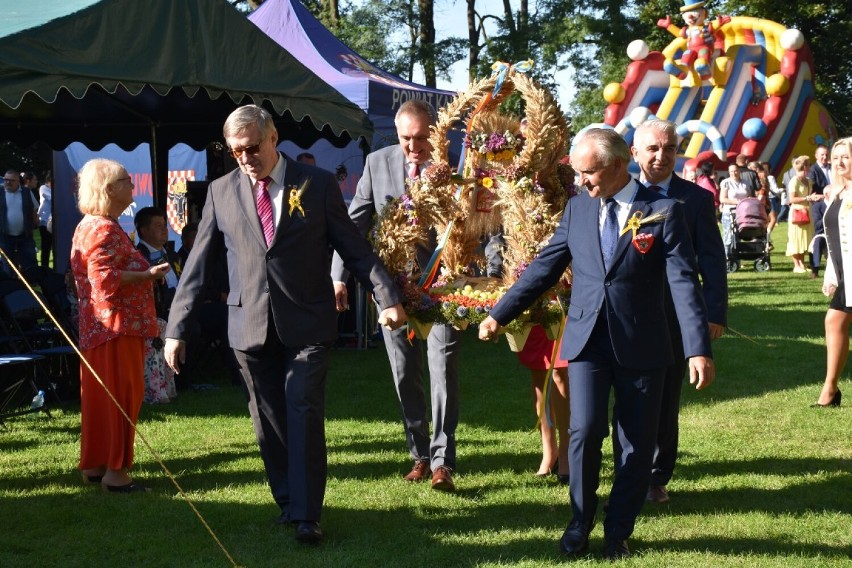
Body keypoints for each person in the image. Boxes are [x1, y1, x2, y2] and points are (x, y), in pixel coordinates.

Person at [164, 104, 406, 544]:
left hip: (307, 323)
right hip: (248, 326)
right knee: (268, 421)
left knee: (304, 410)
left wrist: (384, 295)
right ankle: (288, 502)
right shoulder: (220, 191)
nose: (244, 158)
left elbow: (353, 247)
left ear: (273, 138)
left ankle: (308, 515)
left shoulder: (315, 185)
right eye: (235, 151)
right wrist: (176, 328)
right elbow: (197, 265)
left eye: (252, 147)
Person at [479, 128, 714, 560]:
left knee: (635, 443)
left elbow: (683, 281)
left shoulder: (663, 211)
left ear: (617, 165)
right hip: (586, 341)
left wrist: (697, 346)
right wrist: (500, 313)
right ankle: (579, 521)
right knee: (584, 430)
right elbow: (543, 268)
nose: (581, 182)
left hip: (645, 344)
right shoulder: (577, 209)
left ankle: (617, 529)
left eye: (587, 173)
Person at [330, 100, 463, 492]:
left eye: (422, 138)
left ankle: (443, 462)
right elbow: (353, 223)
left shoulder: (456, 164)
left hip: (443, 286)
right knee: (404, 373)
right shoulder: (377, 162)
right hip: (393, 290)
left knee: (442, 371)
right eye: (407, 138)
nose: (414, 147)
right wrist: (338, 276)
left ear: (434, 133)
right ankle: (419, 456)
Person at [629, 119, 727, 504]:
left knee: (665, 401)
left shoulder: (696, 200)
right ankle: (627, 465)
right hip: (624, 315)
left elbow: (713, 261)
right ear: (634, 152)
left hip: (673, 317)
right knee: (628, 394)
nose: (661, 155)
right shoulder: (620, 195)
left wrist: (714, 313)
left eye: (668, 148)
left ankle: (656, 475)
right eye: (652, 148)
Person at [70, 158, 170, 492]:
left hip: (99, 328)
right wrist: (147, 275)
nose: (132, 185)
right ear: (110, 189)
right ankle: (116, 473)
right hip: (117, 327)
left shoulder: (89, 224)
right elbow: (102, 279)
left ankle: (98, 465)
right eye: (127, 180)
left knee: (101, 397)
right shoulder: (104, 228)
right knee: (122, 397)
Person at [817, 137, 852, 408]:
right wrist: (831, 275)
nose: (840, 162)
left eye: (846, 156)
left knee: (834, 321)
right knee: (834, 322)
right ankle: (830, 390)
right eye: (836, 157)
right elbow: (833, 239)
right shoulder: (837, 193)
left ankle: (829, 391)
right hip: (844, 274)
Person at [518, 325, 570, 482]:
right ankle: (549, 451)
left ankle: (566, 451)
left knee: (559, 369)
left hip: (562, 304)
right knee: (539, 368)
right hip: (534, 305)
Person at [787, 155, 822, 274]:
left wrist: (814, 198)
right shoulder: (794, 181)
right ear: (804, 167)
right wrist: (807, 197)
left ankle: (802, 263)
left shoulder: (808, 181)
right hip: (797, 211)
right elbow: (792, 199)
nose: (809, 168)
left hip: (807, 210)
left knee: (804, 238)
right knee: (796, 238)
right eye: (808, 165)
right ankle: (796, 265)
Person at [1, 169, 39, 275]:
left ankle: (30, 285)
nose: (8, 182)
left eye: (11, 180)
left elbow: (34, 210)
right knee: (8, 265)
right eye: (6, 180)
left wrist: (35, 223)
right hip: (5, 236)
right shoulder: (0, 193)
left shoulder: (26, 192)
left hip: (25, 235)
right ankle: (11, 287)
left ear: (18, 181)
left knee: (29, 262)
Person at [809, 145, 832, 278]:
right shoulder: (813, 171)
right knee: (817, 238)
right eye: (822, 155)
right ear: (816, 156)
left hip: (833, 202)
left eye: (826, 154)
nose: (824, 157)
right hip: (819, 205)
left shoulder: (831, 168)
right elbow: (812, 192)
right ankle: (815, 269)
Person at [718, 163, 749, 259]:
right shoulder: (726, 183)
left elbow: (749, 197)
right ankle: (725, 259)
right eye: (731, 171)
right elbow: (722, 199)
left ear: (739, 171)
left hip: (742, 213)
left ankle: (736, 258)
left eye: (735, 170)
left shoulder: (745, 183)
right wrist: (738, 202)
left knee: (738, 237)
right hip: (729, 213)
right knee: (728, 237)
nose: (733, 173)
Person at [36, 171, 53, 268]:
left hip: (54, 221)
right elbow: (51, 198)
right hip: (45, 221)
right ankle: (44, 268)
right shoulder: (43, 188)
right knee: (46, 246)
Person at [762, 162, 782, 238]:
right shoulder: (771, 178)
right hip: (770, 199)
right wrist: (783, 190)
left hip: (762, 199)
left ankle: (765, 234)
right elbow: (776, 190)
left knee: (766, 219)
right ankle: (767, 235)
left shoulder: (759, 177)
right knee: (773, 219)